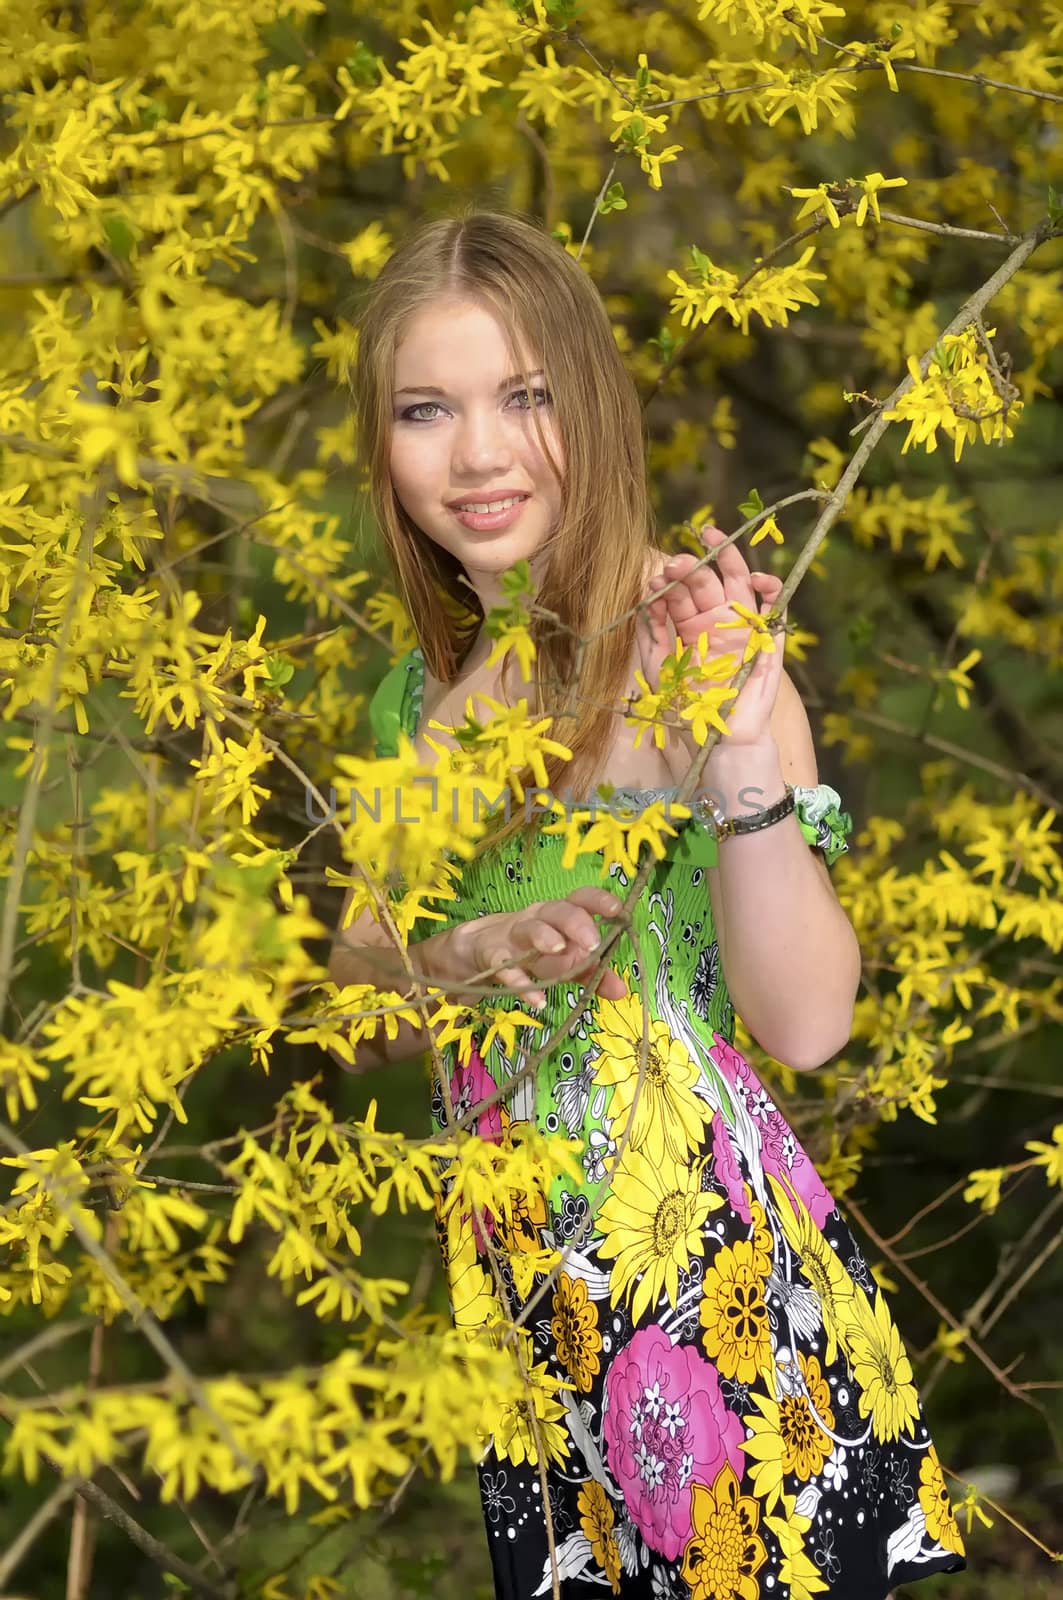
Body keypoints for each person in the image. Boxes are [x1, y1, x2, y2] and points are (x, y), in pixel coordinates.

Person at [329, 208, 967, 1600]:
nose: (480, 453)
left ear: (595, 410)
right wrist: (467, 948)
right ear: (383, 448)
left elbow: (805, 1024)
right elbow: (360, 960)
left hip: (705, 1293)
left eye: (527, 397)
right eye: (426, 410)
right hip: (531, 1316)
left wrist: (738, 758)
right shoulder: (419, 699)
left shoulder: (688, 648)